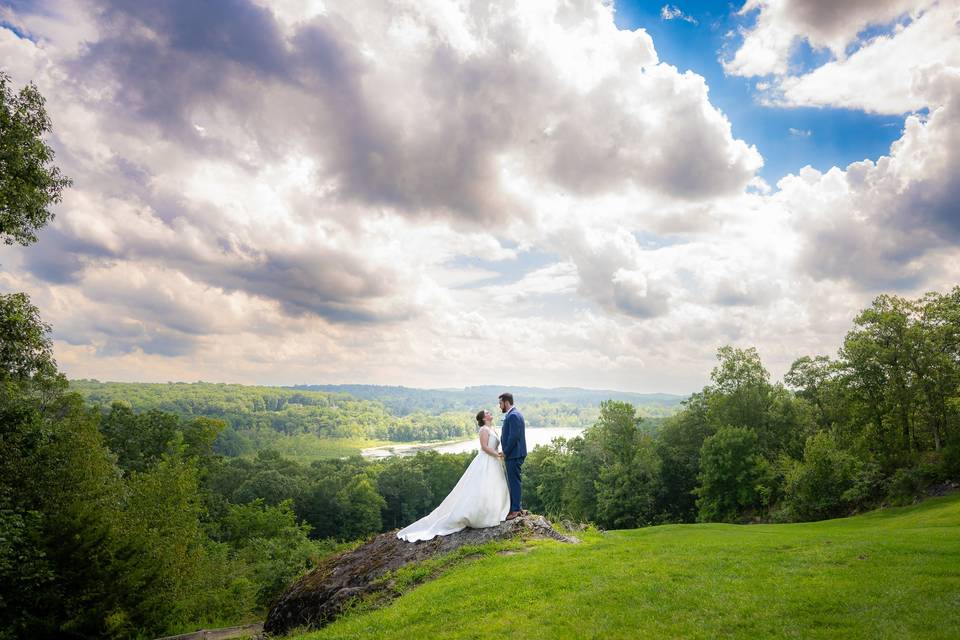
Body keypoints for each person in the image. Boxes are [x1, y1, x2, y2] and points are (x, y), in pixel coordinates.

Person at [396, 409, 510, 542]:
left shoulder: (493, 428)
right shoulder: (484, 430)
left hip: (494, 461)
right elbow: (484, 447)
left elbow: (494, 446)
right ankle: (480, 515)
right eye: (487, 412)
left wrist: (499, 453)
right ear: (484, 418)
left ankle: (496, 511)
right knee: (482, 487)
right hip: (486, 460)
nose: (490, 413)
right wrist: (497, 454)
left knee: (495, 486)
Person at [499, 392, 526, 520]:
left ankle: (515, 510)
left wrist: (505, 451)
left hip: (514, 454)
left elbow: (513, 437)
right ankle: (517, 507)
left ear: (506, 402)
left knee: (514, 482)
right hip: (515, 454)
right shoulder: (515, 414)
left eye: (500, 403)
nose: (500, 406)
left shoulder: (513, 415)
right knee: (515, 481)